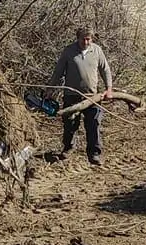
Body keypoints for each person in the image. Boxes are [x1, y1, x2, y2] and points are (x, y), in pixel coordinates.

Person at [49, 26, 114, 165]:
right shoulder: (68, 51)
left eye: (88, 39)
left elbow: (105, 70)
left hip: (92, 96)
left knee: (94, 124)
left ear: (91, 39)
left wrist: (109, 89)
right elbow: (58, 72)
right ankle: (68, 148)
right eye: (83, 39)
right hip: (72, 95)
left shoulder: (97, 50)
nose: (85, 42)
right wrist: (50, 90)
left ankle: (94, 153)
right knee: (70, 124)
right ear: (77, 38)